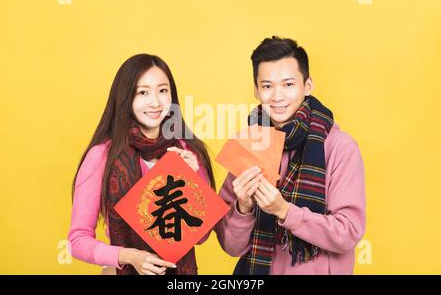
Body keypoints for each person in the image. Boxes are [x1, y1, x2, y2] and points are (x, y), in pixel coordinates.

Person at [215, 36, 366, 275]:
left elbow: (348, 232)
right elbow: (230, 247)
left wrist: (285, 211)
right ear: (256, 90)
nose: (277, 96)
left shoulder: (340, 147)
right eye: (267, 86)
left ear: (307, 85)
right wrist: (243, 207)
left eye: (288, 84)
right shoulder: (248, 144)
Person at [68, 54, 215, 275]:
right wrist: (127, 256)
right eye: (142, 92)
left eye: (163, 91)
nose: (155, 102)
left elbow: (202, 236)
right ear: (126, 98)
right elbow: (77, 241)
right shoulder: (102, 156)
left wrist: (193, 182)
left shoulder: (188, 150)